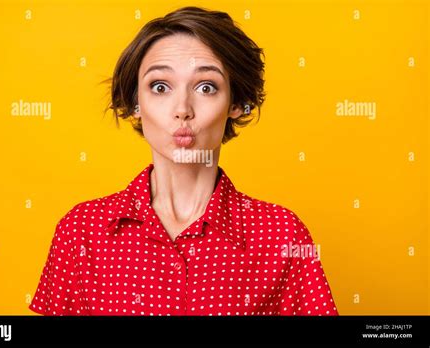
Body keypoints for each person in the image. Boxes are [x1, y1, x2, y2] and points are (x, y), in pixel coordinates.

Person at [29, 6, 338, 316]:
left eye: (206, 87)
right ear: (136, 103)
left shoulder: (282, 235)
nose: (182, 109)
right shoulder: (81, 232)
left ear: (235, 103)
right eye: (160, 86)